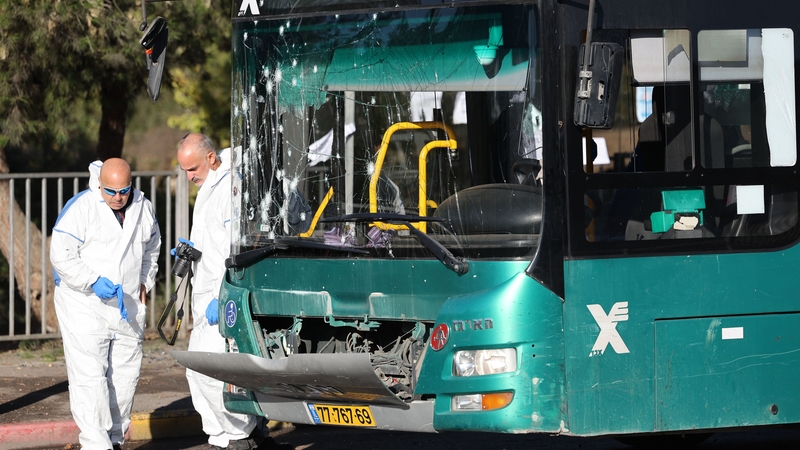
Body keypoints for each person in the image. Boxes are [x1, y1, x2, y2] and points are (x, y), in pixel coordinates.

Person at [176, 133, 290, 450]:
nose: (189, 176)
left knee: (211, 374)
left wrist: (220, 296)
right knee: (199, 372)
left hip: (222, 297)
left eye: (192, 168)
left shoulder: (231, 188)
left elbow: (237, 247)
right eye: (184, 170)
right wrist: (190, 249)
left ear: (211, 158)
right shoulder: (209, 185)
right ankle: (234, 436)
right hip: (207, 296)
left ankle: (236, 437)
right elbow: (212, 240)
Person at [50, 158, 161, 450]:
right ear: (100, 183)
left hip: (127, 304)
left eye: (123, 190)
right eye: (110, 191)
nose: (117, 197)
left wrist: (144, 283)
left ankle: (114, 440)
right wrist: (91, 280)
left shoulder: (143, 207)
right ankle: (95, 444)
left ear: (131, 184)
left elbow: (152, 247)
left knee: (125, 376)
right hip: (83, 304)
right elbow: (60, 256)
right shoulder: (81, 207)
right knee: (90, 377)